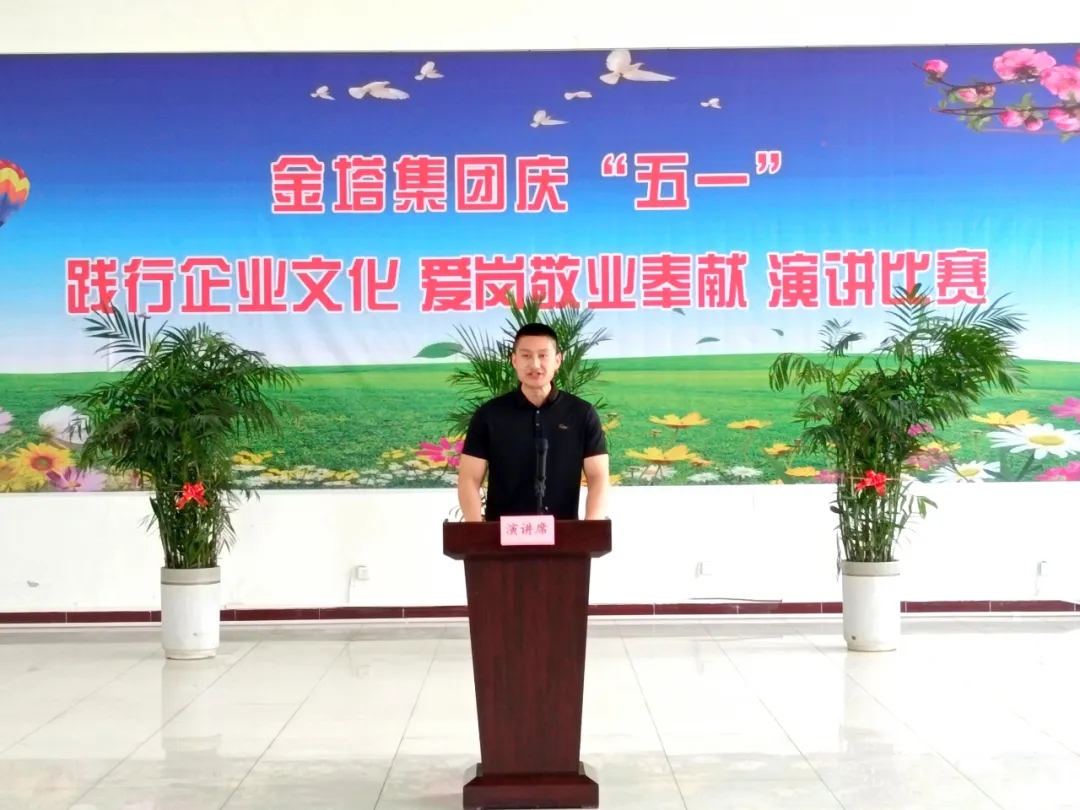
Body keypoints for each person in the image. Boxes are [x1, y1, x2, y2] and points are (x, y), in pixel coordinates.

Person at [457, 322, 610, 522]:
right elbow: (469, 478)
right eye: (526, 356)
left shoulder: (582, 413)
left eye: (543, 355)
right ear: (514, 360)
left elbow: (598, 477)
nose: (535, 364)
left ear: (557, 360)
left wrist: (591, 528)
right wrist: (476, 531)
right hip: (502, 533)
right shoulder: (489, 415)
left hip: (564, 533)